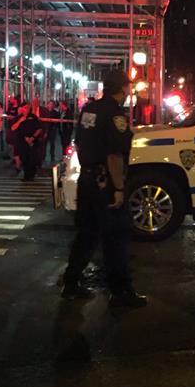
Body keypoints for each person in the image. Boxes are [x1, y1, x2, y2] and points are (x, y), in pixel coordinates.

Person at [60, 70, 145, 308]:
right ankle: (120, 293)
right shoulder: (115, 115)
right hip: (104, 182)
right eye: (128, 87)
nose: (129, 92)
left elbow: (79, 141)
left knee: (86, 234)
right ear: (122, 89)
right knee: (116, 236)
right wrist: (118, 188)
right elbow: (115, 156)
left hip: (86, 180)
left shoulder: (89, 110)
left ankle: (71, 283)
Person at [11, 101, 43, 180]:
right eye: (25, 108)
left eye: (28, 108)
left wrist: (33, 138)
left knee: (32, 158)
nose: (27, 110)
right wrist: (20, 121)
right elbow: (13, 128)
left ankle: (31, 175)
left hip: (32, 141)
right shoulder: (19, 118)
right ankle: (26, 175)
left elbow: (39, 129)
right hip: (22, 141)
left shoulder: (33, 117)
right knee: (24, 158)